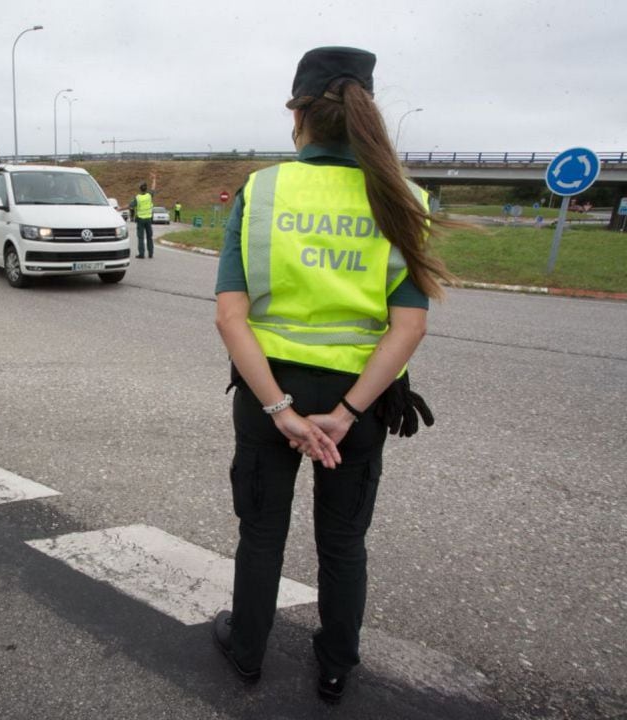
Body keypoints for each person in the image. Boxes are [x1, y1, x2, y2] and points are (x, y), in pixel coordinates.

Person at [211, 46, 451, 705]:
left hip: (269, 393)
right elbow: (410, 327)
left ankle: (247, 651)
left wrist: (281, 410)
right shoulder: (404, 199)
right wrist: (344, 413)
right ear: (365, 113)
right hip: (361, 403)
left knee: (261, 533)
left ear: (299, 115)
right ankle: (336, 665)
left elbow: (232, 319)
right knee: (343, 542)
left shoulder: (263, 191)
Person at [128, 182, 154, 258]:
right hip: (148, 219)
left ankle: (141, 254)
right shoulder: (149, 196)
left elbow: (130, 205)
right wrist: (154, 179)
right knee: (149, 236)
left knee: (141, 237)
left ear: (140, 189)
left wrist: (119, 208)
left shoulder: (137, 198)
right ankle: (151, 253)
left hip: (140, 220)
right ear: (146, 189)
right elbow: (153, 188)